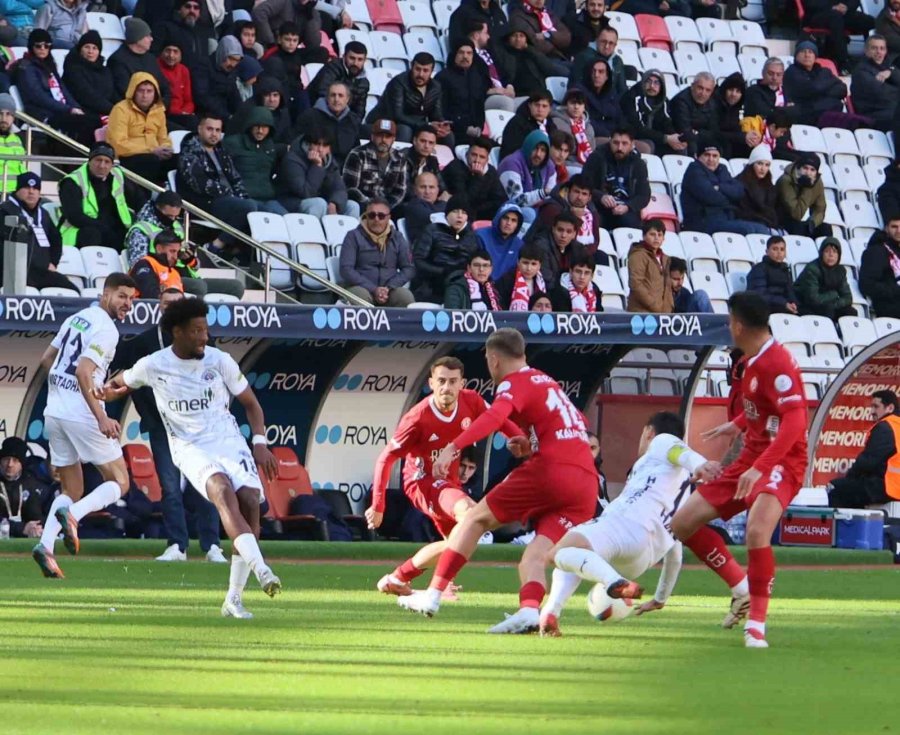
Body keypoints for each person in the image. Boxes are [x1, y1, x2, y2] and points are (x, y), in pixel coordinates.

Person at [397, 328, 599, 630]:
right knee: (535, 555)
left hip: (552, 470)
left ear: (493, 359)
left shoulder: (515, 381)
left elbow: (494, 417)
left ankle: (433, 595)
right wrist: (530, 443)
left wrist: (453, 447)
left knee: (474, 519)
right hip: (585, 483)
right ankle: (529, 610)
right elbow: (576, 424)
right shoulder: (547, 382)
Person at [101, 296, 283, 617]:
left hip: (227, 440)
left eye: (205, 330)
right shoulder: (154, 364)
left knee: (250, 501)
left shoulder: (219, 360)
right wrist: (104, 391)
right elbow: (120, 382)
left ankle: (233, 599)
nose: (204, 337)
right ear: (178, 332)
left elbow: (251, 404)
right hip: (188, 446)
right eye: (197, 331)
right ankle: (261, 568)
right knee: (221, 492)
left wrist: (259, 442)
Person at [672, 291, 808, 649]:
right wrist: (737, 424)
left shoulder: (777, 364)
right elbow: (764, 409)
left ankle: (757, 625)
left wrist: (760, 467)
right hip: (751, 457)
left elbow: (795, 421)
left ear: (737, 325)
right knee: (683, 523)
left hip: (782, 460)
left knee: (757, 530)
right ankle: (741, 588)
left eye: (729, 320)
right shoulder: (751, 360)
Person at [540, 412, 721, 636]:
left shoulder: (660, 442)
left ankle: (613, 582)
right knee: (575, 556)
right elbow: (675, 555)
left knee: (557, 553)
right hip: (641, 561)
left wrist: (701, 465)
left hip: (625, 526)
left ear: (648, 432)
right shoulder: (678, 489)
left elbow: (680, 451)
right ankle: (549, 615)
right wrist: (660, 597)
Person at [366, 357, 523, 596]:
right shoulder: (417, 417)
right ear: (431, 383)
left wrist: (520, 439)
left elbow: (497, 419)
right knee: (471, 516)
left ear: (462, 383)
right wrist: (378, 505)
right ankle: (401, 576)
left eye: (452, 381)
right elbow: (385, 458)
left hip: (449, 483)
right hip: (422, 481)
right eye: (441, 381)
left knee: (461, 541)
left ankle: (435, 586)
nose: (446, 387)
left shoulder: (472, 401)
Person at [31, 273, 137, 579]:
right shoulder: (107, 329)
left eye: (131, 299)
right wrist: (101, 416)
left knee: (72, 488)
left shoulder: (76, 319)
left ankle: (45, 546)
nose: (127, 304)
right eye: (121, 296)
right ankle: (73, 515)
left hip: (55, 412)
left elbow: (47, 359)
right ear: (105, 294)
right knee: (120, 480)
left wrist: (64, 389)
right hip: (83, 414)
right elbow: (82, 371)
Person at [109, 289, 225, 563]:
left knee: (205, 484)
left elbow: (214, 379)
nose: (169, 308)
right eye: (165, 304)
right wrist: (147, 413)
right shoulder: (144, 342)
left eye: (175, 304)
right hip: (162, 428)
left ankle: (212, 545)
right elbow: (127, 378)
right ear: (159, 307)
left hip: (197, 428)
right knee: (170, 487)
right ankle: (177, 546)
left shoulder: (202, 341)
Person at [177, 112, 262, 262]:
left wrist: (241, 195)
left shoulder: (221, 151)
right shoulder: (189, 152)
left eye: (217, 130)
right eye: (209, 129)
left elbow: (235, 178)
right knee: (248, 207)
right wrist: (230, 194)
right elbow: (200, 184)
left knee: (261, 209)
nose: (214, 134)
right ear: (200, 129)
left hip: (227, 200)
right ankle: (215, 246)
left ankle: (238, 253)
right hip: (205, 202)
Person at [14, 28, 102, 147]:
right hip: (44, 114)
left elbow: (63, 90)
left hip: (60, 110)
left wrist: (75, 107)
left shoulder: (49, 64)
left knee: (95, 120)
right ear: (31, 47)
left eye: (46, 46)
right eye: (38, 46)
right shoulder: (26, 68)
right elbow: (38, 97)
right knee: (88, 123)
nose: (43, 49)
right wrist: (68, 109)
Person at [0, 172, 77, 293]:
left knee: (72, 290)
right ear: (17, 190)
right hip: (11, 272)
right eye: (26, 187)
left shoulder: (43, 213)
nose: (31, 192)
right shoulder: (5, 210)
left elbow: (56, 239)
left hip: (40, 272)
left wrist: (53, 263)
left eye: (35, 188)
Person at [827, 390, 900, 508]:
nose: (872, 411)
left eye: (876, 407)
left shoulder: (885, 427)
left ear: (890, 408)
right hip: (892, 486)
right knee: (855, 489)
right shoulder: (897, 425)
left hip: (887, 487)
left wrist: (849, 477)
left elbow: (868, 461)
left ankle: (848, 521)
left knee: (836, 489)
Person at [681, 140, 769, 236]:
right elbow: (711, 197)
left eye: (715, 156)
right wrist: (730, 198)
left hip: (726, 218)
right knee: (748, 229)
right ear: (698, 157)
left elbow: (739, 191)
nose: (711, 159)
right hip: (702, 222)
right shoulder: (694, 170)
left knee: (762, 229)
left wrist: (719, 187)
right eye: (707, 155)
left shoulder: (722, 169)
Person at [338, 197, 415, 307]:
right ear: (366, 216)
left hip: (389, 290)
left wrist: (389, 287)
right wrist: (374, 289)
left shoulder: (397, 237)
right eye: (371, 215)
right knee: (359, 297)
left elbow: (408, 268)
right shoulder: (353, 236)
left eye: (381, 216)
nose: (376, 219)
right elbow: (346, 269)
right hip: (361, 287)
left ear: (388, 217)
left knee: (405, 296)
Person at [58, 142, 133, 249]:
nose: (102, 166)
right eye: (98, 160)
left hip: (111, 230)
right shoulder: (72, 181)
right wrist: (104, 228)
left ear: (112, 165)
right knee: (93, 234)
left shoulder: (117, 175)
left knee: (129, 236)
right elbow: (74, 216)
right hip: (79, 231)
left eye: (107, 162)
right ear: (89, 161)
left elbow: (137, 198)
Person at [367, 52, 453, 145]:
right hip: (385, 122)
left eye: (425, 71)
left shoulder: (435, 87)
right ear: (411, 67)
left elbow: (436, 114)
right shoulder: (399, 82)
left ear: (431, 71)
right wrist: (427, 125)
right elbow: (397, 115)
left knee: (447, 135)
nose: (420, 74)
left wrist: (441, 125)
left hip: (417, 125)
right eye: (417, 69)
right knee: (405, 130)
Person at [107, 72, 175, 188]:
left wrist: (166, 148)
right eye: (141, 91)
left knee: (180, 160)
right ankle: (145, 196)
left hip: (155, 155)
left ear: (155, 93)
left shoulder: (159, 110)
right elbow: (117, 144)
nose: (145, 95)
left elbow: (163, 138)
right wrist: (151, 150)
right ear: (133, 91)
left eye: (149, 91)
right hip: (128, 157)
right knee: (151, 161)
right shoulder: (120, 109)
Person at [276, 126, 357, 218]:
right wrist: (317, 166)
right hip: (292, 201)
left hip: (320, 201)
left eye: (325, 146)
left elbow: (340, 189)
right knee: (319, 204)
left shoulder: (330, 161)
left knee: (353, 206)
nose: (320, 149)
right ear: (308, 144)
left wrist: (335, 203)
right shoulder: (293, 159)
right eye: (317, 144)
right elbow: (306, 192)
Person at [412, 197, 479, 303]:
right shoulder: (432, 230)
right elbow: (418, 260)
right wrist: (442, 271)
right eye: (455, 211)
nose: (460, 216)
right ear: (447, 214)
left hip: (461, 283)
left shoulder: (471, 236)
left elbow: (475, 261)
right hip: (432, 284)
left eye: (464, 212)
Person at [581, 127, 650, 230]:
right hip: (600, 208)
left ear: (632, 144)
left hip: (627, 210)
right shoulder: (596, 158)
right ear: (610, 141)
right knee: (594, 221)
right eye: (616, 143)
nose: (619, 148)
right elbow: (584, 184)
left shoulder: (639, 164)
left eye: (624, 143)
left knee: (630, 224)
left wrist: (628, 206)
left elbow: (644, 195)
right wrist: (601, 196)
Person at [222, 106, 285, 216]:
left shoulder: (271, 148)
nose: (260, 131)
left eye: (264, 127)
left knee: (286, 218)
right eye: (257, 126)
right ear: (250, 126)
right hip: (244, 199)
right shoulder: (232, 144)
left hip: (268, 199)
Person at [342, 118, 409, 211]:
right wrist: (372, 205)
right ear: (372, 136)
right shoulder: (357, 154)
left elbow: (400, 190)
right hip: (362, 204)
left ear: (393, 139)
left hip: (388, 206)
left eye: (388, 136)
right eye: (380, 135)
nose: (383, 140)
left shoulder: (400, 158)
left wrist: (386, 206)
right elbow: (351, 188)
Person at [619, 70, 687, 157]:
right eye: (648, 81)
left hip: (654, 137)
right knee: (649, 145)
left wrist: (676, 138)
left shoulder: (663, 101)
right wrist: (665, 138)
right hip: (632, 137)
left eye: (656, 83)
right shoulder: (632, 97)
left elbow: (667, 123)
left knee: (679, 148)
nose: (652, 86)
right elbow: (638, 129)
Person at [298, 80, 361, 169]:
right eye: (333, 95)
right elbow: (298, 143)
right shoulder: (310, 116)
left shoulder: (353, 120)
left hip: (345, 169)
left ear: (347, 99)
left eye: (340, 95)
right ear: (327, 98)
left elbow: (356, 150)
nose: (336, 99)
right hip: (315, 166)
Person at [108, 17, 171, 106]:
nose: (151, 39)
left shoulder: (151, 59)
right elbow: (125, 91)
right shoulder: (118, 60)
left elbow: (164, 86)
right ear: (137, 38)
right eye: (148, 36)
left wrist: (162, 105)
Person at [782, 41, 847, 126]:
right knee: (834, 103)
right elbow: (812, 88)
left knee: (837, 105)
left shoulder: (824, 71)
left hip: (824, 111)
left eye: (810, 52)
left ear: (815, 57)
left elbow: (842, 89)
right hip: (803, 113)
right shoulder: (791, 72)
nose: (807, 55)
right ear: (796, 56)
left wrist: (820, 91)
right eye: (803, 51)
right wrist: (828, 87)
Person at [437, 41, 491, 143]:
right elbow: (442, 111)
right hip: (452, 131)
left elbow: (480, 107)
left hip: (475, 132)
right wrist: (464, 128)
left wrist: (479, 127)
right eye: (461, 52)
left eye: (469, 53)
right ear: (454, 55)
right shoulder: (442, 78)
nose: (465, 56)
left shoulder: (477, 78)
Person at [441, 137, 507, 221]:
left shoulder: (490, 171)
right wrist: (478, 178)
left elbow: (500, 199)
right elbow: (464, 202)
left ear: (487, 160)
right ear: (467, 154)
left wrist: (480, 208)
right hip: (459, 216)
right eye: (474, 155)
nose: (477, 160)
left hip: (482, 214)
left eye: (482, 157)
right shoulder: (455, 167)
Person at [498, 129, 556, 222]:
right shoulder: (511, 163)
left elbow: (551, 195)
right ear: (528, 146)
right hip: (507, 208)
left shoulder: (548, 165)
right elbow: (517, 200)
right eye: (535, 148)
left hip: (536, 207)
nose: (538, 154)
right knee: (529, 214)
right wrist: (542, 193)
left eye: (543, 150)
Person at [801, 0, 874, 74]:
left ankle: (872, 58)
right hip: (817, 14)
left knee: (869, 21)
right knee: (836, 19)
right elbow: (810, 3)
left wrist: (846, 7)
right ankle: (842, 61)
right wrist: (832, 7)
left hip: (842, 12)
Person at [150, 0, 216, 81]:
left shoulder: (203, 32)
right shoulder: (165, 28)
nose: (192, 11)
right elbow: (154, 55)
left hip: (199, 79)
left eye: (196, 8)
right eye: (188, 6)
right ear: (179, 9)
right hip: (173, 79)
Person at [537, 175, 602, 254]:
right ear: (568, 191)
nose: (579, 197)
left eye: (584, 194)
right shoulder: (552, 208)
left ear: (589, 197)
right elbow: (556, 241)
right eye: (576, 192)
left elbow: (596, 240)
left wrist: (585, 253)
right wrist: (575, 218)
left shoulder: (591, 210)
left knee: (602, 256)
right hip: (551, 253)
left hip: (582, 252)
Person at [794, 237, 856, 320]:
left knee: (851, 312)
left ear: (839, 255)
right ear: (821, 253)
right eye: (827, 251)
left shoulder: (840, 270)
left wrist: (834, 305)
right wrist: (834, 294)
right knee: (828, 311)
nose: (831, 255)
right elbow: (813, 299)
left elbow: (848, 297)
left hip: (828, 305)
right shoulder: (812, 269)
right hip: (806, 305)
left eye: (835, 251)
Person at [61, 30, 117, 119]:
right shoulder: (72, 69)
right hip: (81, 113)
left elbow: (112, 94)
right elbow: (87, 96)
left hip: (105, 111)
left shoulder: (105, 71)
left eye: (95, 48)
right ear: (80, 49)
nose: (90, 51)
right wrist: (115, 110)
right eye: (87, 47)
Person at [0, 436, 48, 539]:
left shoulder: (30, 483)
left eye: (15, 460)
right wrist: (21, 528)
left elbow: (37, 516)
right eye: (6, 459)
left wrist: (35, 527)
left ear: (22, 463)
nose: (10, 464)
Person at [775, 152, 832, 239]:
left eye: (812, 170)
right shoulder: (785, 180)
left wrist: (813, 222)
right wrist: (807, 187)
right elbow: (797, 214)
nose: (808, 173)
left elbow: (820, 209)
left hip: (798, 222)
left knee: (825, 228)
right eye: (805, 168)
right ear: (798, 167)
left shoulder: (817, 182)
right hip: (781, 221)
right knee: (797, 227)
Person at [307, 41, 369, 119]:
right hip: (319, 113)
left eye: (360, 59)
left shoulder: (364, 83)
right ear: (344, 56)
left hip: (343, 119)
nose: (355, 63)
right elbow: (322, 95)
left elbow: (359, 111)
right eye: (352, 58)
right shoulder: (332, 68)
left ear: (364, 60)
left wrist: (352, 123)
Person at [466, 18, 517, 113]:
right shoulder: (469, 56)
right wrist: (493, 91)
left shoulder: (489, 52)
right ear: (476, 36)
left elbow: (503, 74)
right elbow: (472, 82)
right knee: (506, 103)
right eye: (485, 33)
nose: (488, 36)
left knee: (528, 103)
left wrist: (509, 86)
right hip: (486, 97)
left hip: (503, 93)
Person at [852, 35, 900, 132]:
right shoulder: (861, 71)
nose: (879, 51)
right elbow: (881, 94)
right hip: (874, 115)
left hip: (891, 110)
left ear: (886, 51)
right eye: (874, 48)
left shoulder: (889, 67)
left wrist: (891, 73)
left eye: (882, 48)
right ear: (866, 51)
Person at [627, 218, 673, 314]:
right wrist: (655, 307)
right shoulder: (638, 256)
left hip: (663, 313)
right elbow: (636, 285)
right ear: (644, 236)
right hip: (641, 313)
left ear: (663, 238)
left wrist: (668, 309)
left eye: (660, 235)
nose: (656, 238)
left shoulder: (666, 259)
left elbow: (668, 289)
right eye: (652, 234)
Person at [573, 58, 623, 145]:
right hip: (590, 136)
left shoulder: (611, 93)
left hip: (613, 135)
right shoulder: (578, 91)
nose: (596, 75)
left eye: (601, 72)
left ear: (607, 76)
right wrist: (609, 133)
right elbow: (583, 119)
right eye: (593, 71)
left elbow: (618, 117)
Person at [532, 211, 586, 289]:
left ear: (574, 234)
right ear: (553, 229)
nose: (563, 235)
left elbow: (585, 274)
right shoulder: (541, 246)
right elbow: (546, 279)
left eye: (569, 232)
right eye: (560, 230)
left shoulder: (578, 248)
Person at [746, 235, 798, 315]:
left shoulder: (785, 269)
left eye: (782, 249)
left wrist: (793, 303)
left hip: (782, 306)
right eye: (775, 249)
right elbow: (760, 295)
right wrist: (784, 304)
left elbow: (790, 291)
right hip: (763, 308)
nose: (779, 253)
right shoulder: (759, 269)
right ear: (767, 251)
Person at [508, 0, 572, 64]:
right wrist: (556, 42)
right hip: (536, 62)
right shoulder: (518, 16)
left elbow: (567, 37)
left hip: (557, 57)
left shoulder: (547, 12)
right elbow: (532, 43)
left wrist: (547, 35)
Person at [670, 72, 720, 155]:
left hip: (700, 140)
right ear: (692, 86)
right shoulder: (680, 101)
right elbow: (685, 131)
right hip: (680, 141)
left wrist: (697, 132)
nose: (703, 93)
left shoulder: (713, 102)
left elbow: (714, 131)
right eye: (700, 88)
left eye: (708, 90)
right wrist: (699, 133)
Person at [735, 145, 781, 235]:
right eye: (760, 163)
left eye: (767, 165)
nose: (763, 168)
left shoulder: (769, 186)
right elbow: (743, 211)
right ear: (752, 164)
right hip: (750, 223)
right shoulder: (740, 183)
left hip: (767, 223)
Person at [569, 25, 626, 97]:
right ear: (597, 40)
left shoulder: (617, 60)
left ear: (615, 45)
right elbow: (576, 85)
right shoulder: (583, 57)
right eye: (603, 42)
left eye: (611, 43)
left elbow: (622, 89)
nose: (607, 46)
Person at [128, 228, 187, 298]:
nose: (175, 257)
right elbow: (150, 294)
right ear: (159, 248)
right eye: (172, 251)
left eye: (177, 252)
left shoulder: (174, 272)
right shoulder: (145, 264)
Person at [253, 0, 324, 57]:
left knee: (321, 53)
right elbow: (259, 13)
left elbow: (313, 45)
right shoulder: (284, 2)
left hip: (291, 51)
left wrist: (310, 17)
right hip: (269, 46)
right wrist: (270, 41)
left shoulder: (313, 13)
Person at [499, 91, 557, 161]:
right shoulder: (517, 123)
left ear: (550, 108)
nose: (540, 110)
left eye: (544, 106)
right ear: (529, 105)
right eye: (537, 105)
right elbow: (512, 151)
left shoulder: (551, 125)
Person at [476, 201, 525, 279]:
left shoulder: (519, 245)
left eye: (513, 220)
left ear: (518, 225)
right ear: (498, 218)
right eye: (505, 218)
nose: (508, 223)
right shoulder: (480, 236)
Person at [860, 222, 900, 318]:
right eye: (894, 227)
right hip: (889, 305)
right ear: (886, 228)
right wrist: (896, 289)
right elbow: (866, 284)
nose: (899, 231)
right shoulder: (876, 251)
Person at [156, 41, 198, 132]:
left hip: (181, 114)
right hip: (163, 113)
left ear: (180, 55)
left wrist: (185, 112)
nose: (171, 55)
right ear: (162, 52)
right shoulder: (155, 67)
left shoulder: (184, 70)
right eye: (168, 50)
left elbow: (188, 100)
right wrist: (179, 112)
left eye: (175, 52)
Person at [400, 172, 446, 248]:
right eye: (423, 187)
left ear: (438, 190)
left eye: (431, 187)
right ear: (415, 189)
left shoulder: (442, 204)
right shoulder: (413, 206)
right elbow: (434, 218)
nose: (427, 191)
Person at [495, 242, 546, 309]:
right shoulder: (506, 281)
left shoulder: (543, 282)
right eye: (525, 263)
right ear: (518, 262)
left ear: (539, 266)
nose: (529, 268)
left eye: (533, 264)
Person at [550, 90, 595, 166]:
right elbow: (568, 148)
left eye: (580, 104)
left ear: (584, 107)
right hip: (565, 162)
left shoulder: (588, 126)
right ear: (566, 105)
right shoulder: (557, 121)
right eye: (572, 103)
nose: (576, 107)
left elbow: (592, 148)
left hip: (586, 163)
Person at [743, 57, 790, 121]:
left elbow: (795, 112)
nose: (774, 78)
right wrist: (785, 110)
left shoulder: (786, 91)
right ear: (763, 73)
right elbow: (763, 112)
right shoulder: (752, 91)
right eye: (771, 73)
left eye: (778, 74)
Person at [401, 125, 442, 196]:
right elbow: (404, 188)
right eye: (423, 141)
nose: (426, 146)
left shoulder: (433, 161)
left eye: (431, 143)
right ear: (414, 141)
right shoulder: (402, 157)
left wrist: (444, 193)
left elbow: (440, 185)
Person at [0, 92, 25, 193]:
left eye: (8, 114)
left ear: (13, 117)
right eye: (0, 114)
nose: (3, 119)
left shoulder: (17, 140)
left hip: (15, 194)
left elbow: (21, 168)